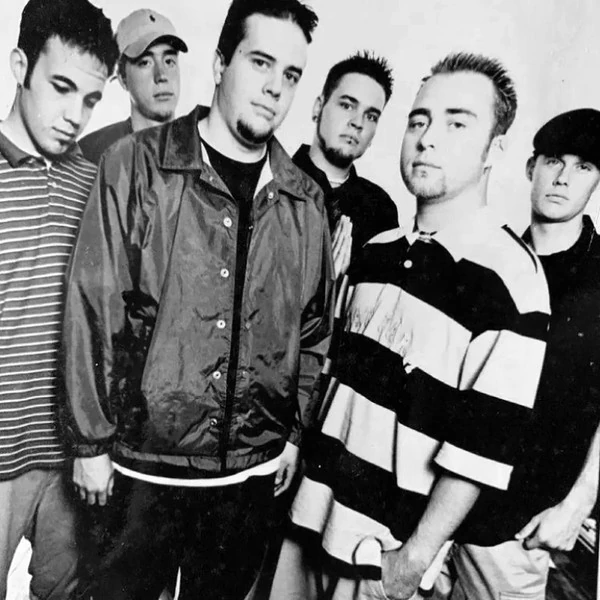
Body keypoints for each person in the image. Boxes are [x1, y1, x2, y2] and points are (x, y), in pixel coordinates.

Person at [60, 0, 333, 598]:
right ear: (219, 64)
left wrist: (292, 433)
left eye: (291, 74)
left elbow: (313, 331)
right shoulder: (134, 166)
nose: (275, 87)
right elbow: (92, 309)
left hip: (251, 474)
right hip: (141, 468)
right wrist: (90, 444)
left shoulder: (306, 201)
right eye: (260, 62)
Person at [268, 52, 551, 600]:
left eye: (457, 124)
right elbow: (331, 384)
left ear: (496, 148)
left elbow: (480, 451)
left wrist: (411, 561)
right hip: (305, 526)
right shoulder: (376, 251)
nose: (427, 139)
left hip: (379, 557)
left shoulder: (512, 279)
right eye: (419, 121)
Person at [449, 108, 600, 600]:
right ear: (531, 166)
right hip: (438, 511)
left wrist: (578, 504)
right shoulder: (491, 259)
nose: (563, 178)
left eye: (583, 167)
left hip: (517, 532)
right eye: (554, 161)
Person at [0, 0, 116, 598]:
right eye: (62, 88)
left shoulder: (94, 183)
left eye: (91, 99)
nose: (76, 116)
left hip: (71, 456)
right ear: (21, 66)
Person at [293, 51, 398, 279]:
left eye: (371, 116)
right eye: (347, 105)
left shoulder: (381, 209)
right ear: (318, 107)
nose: (358, 122)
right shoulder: (271, 182)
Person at [78, 9, 188, 164]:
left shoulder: (204, 147)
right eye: (145, 63)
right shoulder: (92, 152)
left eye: (169, 61)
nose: (161, 75)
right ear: (123, 78)